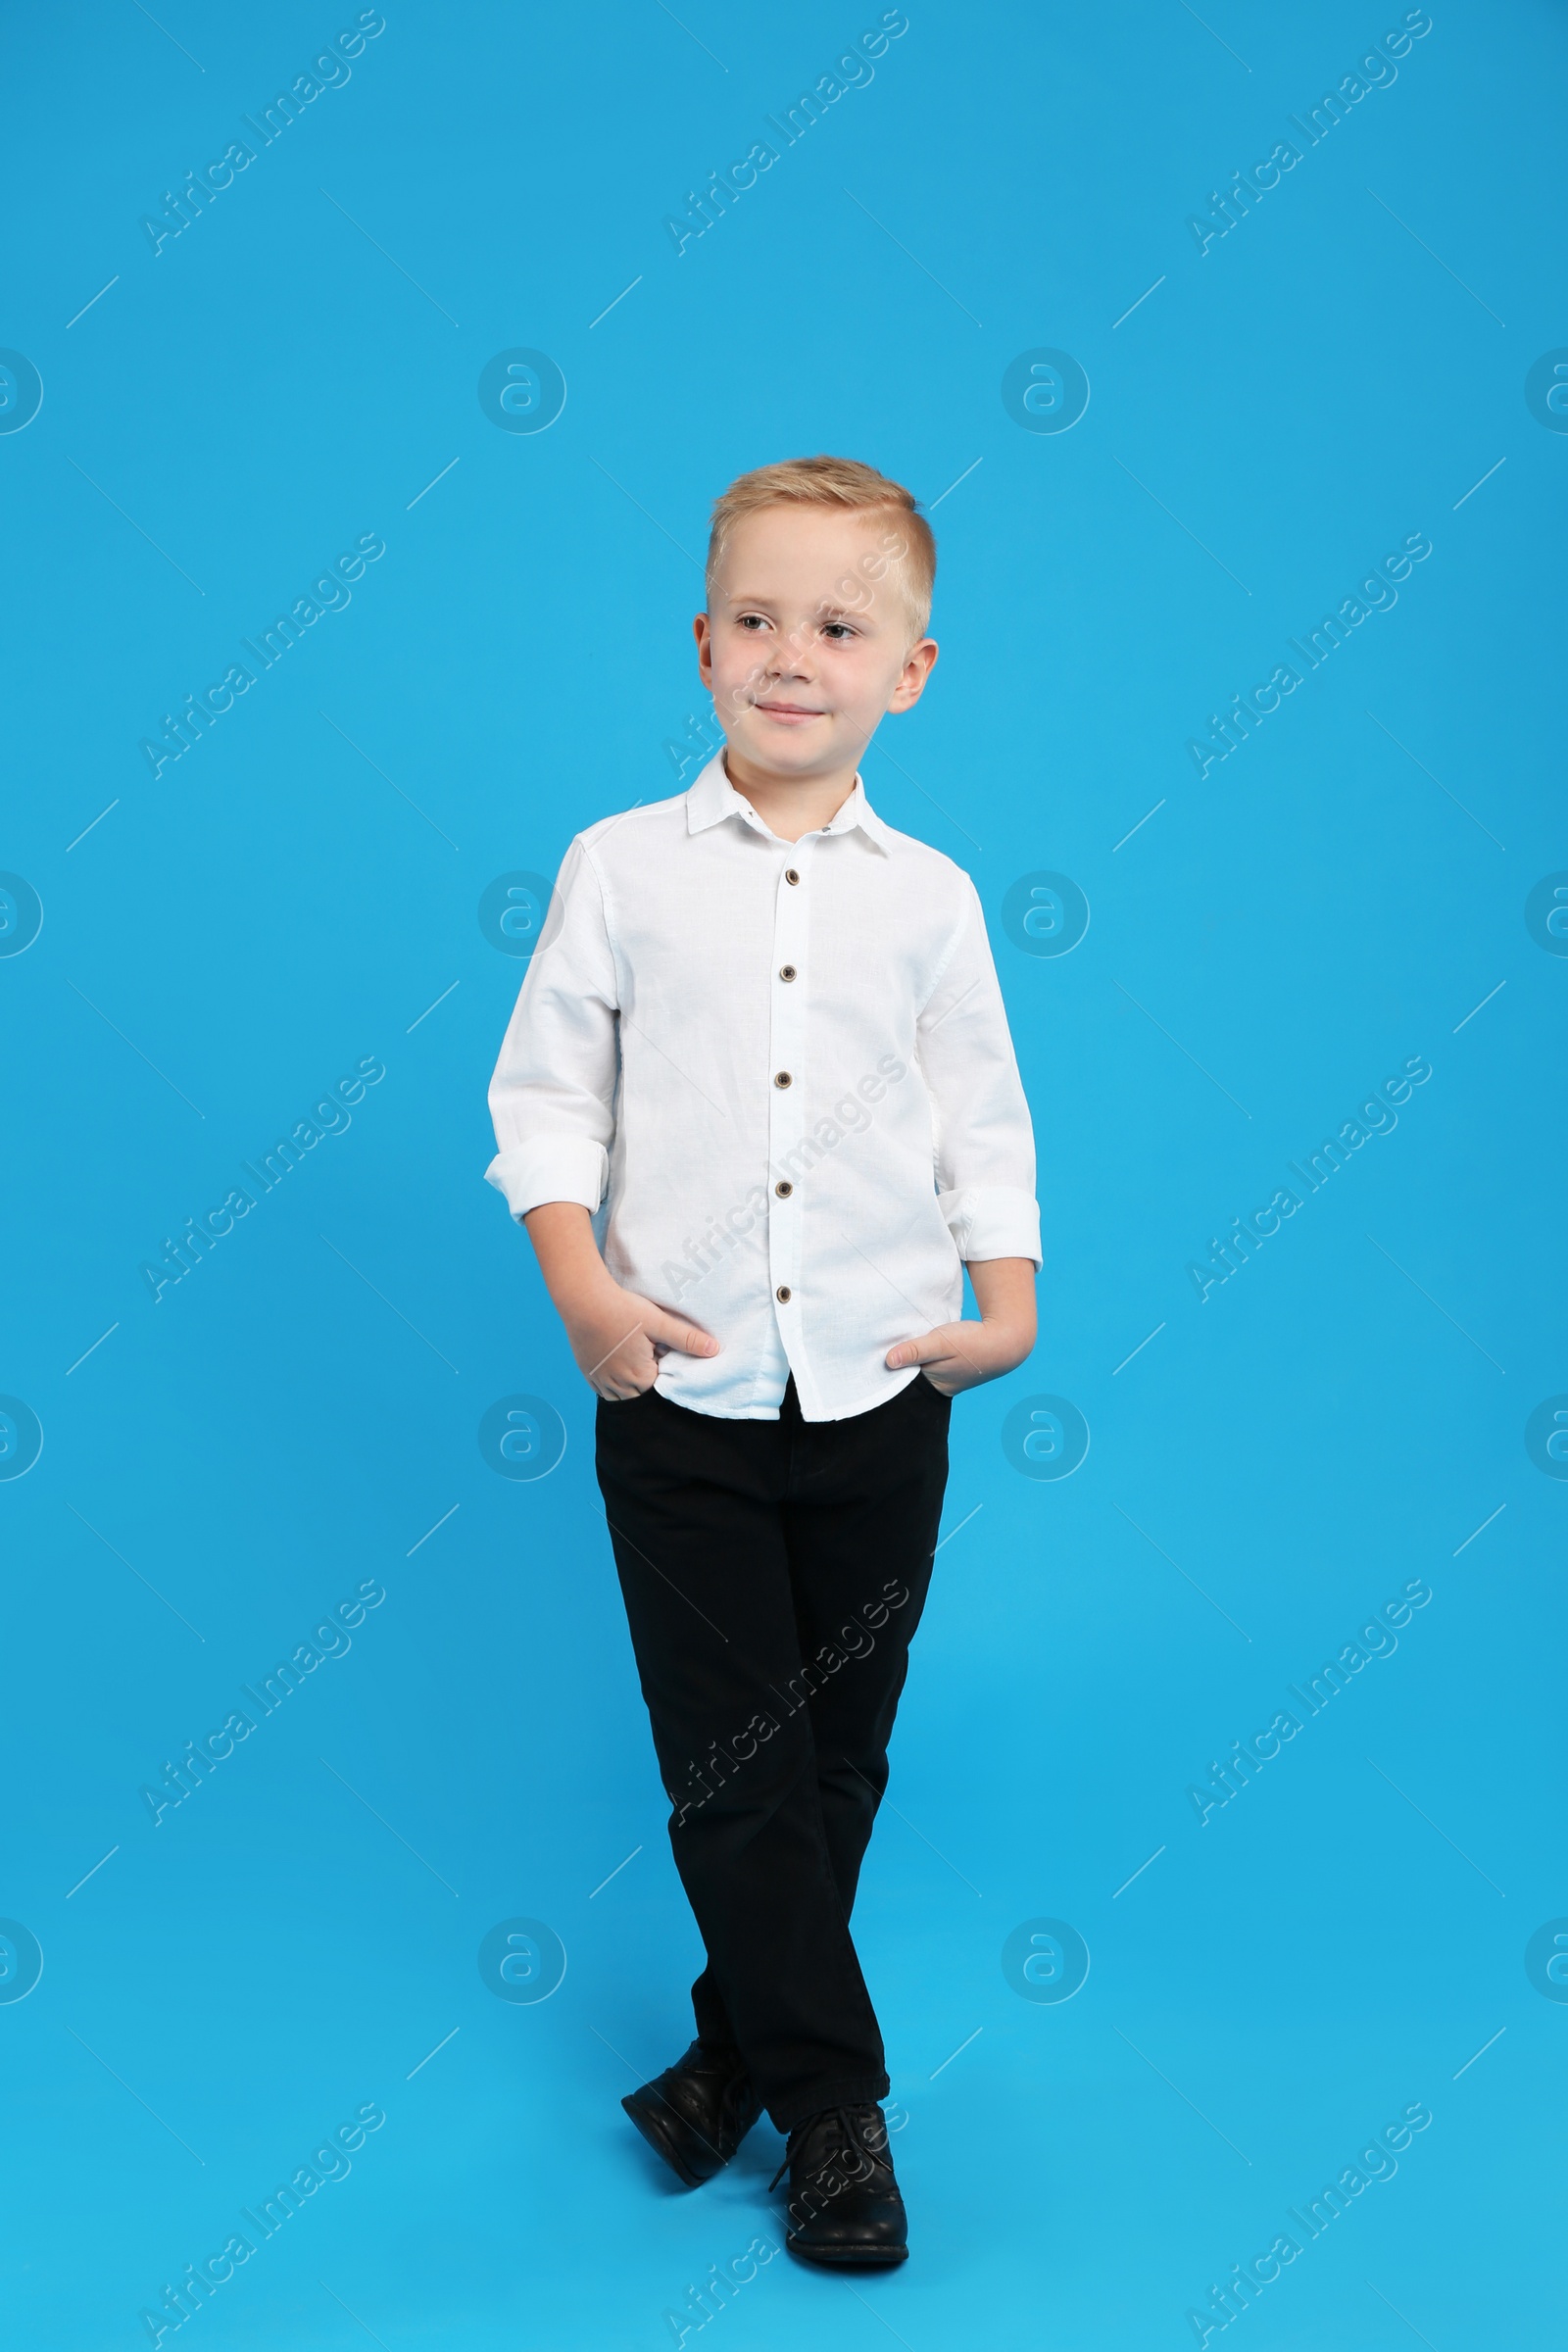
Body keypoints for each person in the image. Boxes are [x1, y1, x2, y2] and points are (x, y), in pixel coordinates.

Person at [484, 455, 1040, 2267]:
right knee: (737, 1763)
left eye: (839, 624)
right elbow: (546, 1094)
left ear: (912, 670)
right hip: (683, 1404)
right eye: (756, 618)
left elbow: (985, 1118)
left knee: (836, 1762)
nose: (792, 655)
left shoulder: (935, 899)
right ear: (701, 643)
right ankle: (840, 2117)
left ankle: (726, 2060)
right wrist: (583, 1289)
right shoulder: (621, 870)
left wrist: (1005, 1296)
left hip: (884, 1395)